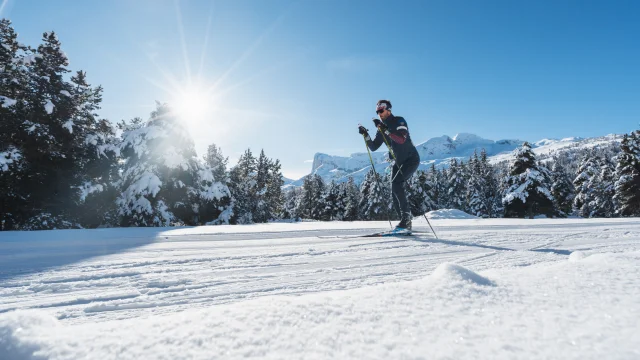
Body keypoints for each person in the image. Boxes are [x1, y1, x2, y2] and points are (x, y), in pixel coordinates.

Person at [358, 100, 420, 231]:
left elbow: (401, 139)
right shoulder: (382, 128)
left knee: (397, 184)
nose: (379, 114)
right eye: (377, 112)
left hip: (411, 159)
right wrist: (366, 134)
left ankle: (406, 221)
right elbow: (374, 146)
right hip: (398, 161)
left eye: (381, 110)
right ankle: (404, 223)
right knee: (394, 190)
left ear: (388, 109)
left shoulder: (399, 121)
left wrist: (384, 130)